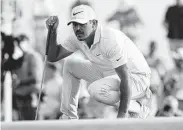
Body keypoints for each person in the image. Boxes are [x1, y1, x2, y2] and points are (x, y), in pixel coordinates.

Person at [46, 5, 152, 119]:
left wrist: (121, 115)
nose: (77, 28)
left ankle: (138, 108)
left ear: (94, 23)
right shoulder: (77, 38)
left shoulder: (109, 39)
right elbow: (53, 57)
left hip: (137, 78)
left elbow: (125, 77)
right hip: (110, 73)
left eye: (82, 24)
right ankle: (69, 116)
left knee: (95, 90)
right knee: (70, 65)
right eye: (75, 24)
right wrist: (52, 31)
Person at [11, 34, 43, 120]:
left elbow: (35, 78)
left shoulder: (33, 56)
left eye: (20, 43)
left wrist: (20, 82)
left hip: (30, 96)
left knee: (31, 123)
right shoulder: (21, 57)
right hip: (20, 96)